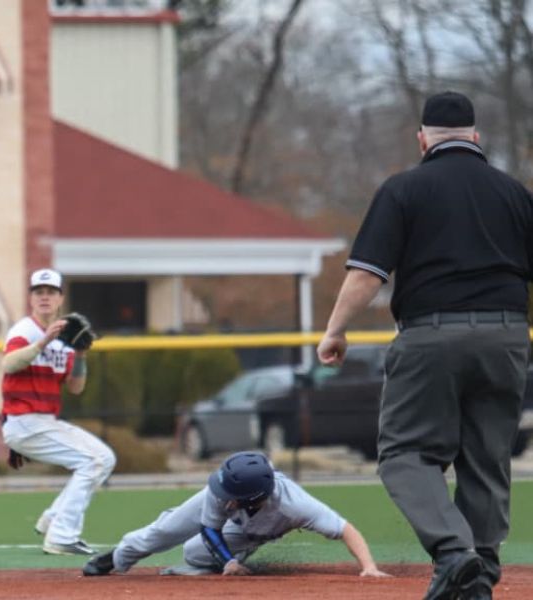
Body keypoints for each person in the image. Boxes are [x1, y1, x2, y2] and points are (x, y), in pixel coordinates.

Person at [317, 91, 533, 600]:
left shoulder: (404, 190)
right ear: (476, 138)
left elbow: (368, 275)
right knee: (487, 455)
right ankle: (479, 567)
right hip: (506, 336)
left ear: (422, 139)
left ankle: (455, 554)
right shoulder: (514, 193)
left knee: (405, 453)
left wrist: (336, 329)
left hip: (432, 333)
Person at [82, 451, 389, 578]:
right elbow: (209, 527)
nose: (222, 495)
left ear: (254, 498)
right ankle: (117, 558)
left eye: (231, 496)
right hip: (229, 525)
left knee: (194, 554)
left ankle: (218, 564)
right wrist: (228, 561)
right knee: (165, 530)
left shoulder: (295, 506)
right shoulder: (221, 490)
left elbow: (345, 528)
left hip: (253, 530)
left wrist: (369, 567)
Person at [1, 268, 116, 555]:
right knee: (94, 461)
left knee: (103, 458)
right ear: (31, 298)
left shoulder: (66, 340)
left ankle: (53, 518)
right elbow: (9, 364)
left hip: (42, 421)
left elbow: (75, 388)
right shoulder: (24, 330)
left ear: (60, 298)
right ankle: (62, 535)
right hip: (25, 419)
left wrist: (81, 355)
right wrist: (42, 342)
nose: (44, 297)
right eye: (39, 292)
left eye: (50, 292)